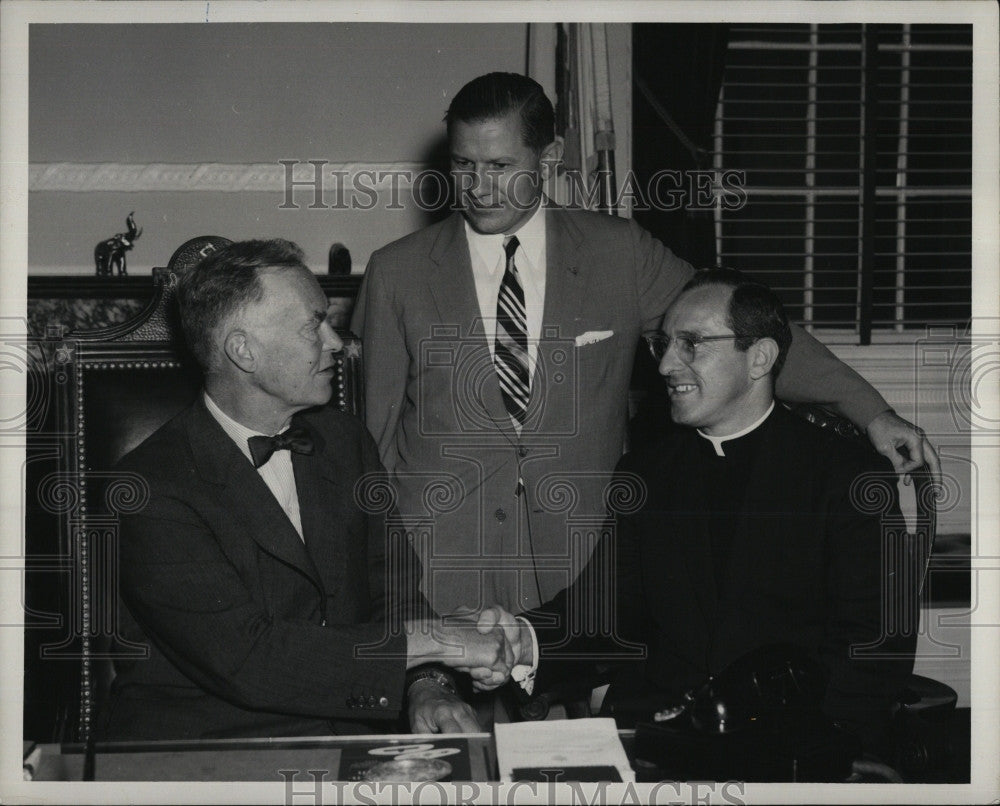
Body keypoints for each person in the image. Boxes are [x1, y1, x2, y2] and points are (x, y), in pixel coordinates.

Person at [351, 71, 938, 618]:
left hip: (583, 566)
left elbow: (745, 329)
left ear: (549, 158)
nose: (478, 188)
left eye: (500, 166)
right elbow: (369, 441)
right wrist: (385, 585)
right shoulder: (396, 272)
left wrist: (873, 413)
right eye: (464, 165)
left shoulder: (618, 253)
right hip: (440, 570)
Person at [483, 269, 918, 758]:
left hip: (792, 742)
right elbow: (606, 613)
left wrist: (795, 744)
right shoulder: (645, 472)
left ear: (760, 358)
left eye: (692, 344)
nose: (667, 364)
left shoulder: (847, 476)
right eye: (664, 344)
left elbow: (877, 646)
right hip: (657, 735)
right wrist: (519, 639)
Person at [100, 239, 513, 740]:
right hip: (210, 753)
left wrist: (428, 686)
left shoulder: (345, 441)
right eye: (311, 326)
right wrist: (435, 643)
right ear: (243, 350)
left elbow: (397, 590)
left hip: (354, 735)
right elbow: (249, 659)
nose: (336, 342)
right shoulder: (146, 488)